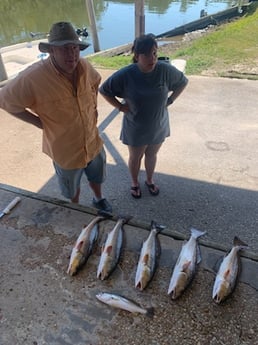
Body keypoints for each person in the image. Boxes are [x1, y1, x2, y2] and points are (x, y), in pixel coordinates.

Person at [0, 22, 112, 212]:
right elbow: (4, 100)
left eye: (75, 48)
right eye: (65, 49)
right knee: (72, 189)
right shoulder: (33, 77)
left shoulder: (84, 65)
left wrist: (92, 109)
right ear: (52, 50)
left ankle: (98, 198)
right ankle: (75, 210)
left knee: (97, 177)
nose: (72, 54)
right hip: (65, 151)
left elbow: (95, 82)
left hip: (93, 142)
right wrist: (38, 122)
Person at [99, 34, 188, 198]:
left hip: (158, 125)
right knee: (135, 157)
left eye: (154, 53)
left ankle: (149, 179)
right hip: (136, 127)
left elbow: (183, 81)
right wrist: (119, 106)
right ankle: (134, 182)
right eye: (146, 54)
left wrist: (170, 100)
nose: (152, 58)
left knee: (152, 154)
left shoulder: (164, 70)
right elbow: (104, 90)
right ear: (136, 55)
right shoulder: (126, 74)